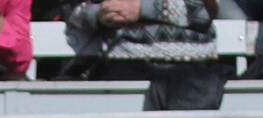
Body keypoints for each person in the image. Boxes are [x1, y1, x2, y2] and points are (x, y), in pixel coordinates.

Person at [63, 0, 219, 76]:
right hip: (121, 66)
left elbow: (206, 11)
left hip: (191, 71)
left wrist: (142, 8)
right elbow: (71, 11)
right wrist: (100, 13)